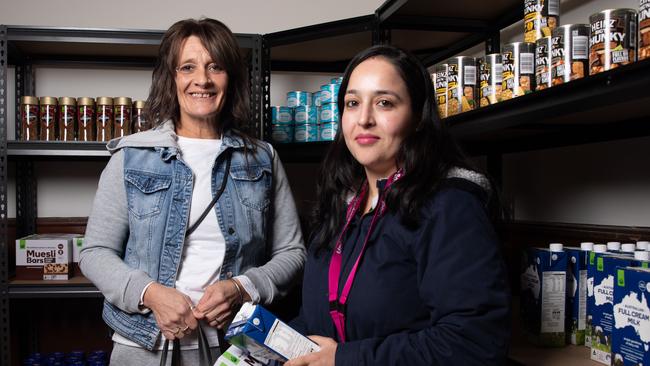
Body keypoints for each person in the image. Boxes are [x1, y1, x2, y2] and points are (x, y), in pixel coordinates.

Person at [80, 18, 306, 365]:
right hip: (144, 345)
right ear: (171, 78)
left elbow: (293, 253)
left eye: (215, 67)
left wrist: (241, 287)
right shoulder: (132, 157)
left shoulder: (262, 159)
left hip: (237, 344)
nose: (202, 79)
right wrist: (151, 294)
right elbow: (95, 252)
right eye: (188, 67)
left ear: (230, 78)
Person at [286, 45, 510, 366]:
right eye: (352, 103)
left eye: (384, 103)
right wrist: (273, 347)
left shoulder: (449, 205)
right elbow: (317, 317)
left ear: (418, 117)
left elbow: (474, 341)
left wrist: (345, 359)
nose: (364, 119)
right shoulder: (340, 203)